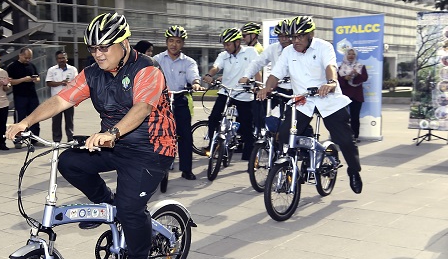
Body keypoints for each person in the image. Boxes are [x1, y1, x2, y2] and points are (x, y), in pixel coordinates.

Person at [6, 12, 176, 259]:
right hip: (114, 142)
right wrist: (26, 121)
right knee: (70, 161)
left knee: (130, 209)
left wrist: (112, 133)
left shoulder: (147, 70)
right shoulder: (92, 73)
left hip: (151, 148)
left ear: (124, 42)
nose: (97, 54)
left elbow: (141, 108)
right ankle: (105, 203)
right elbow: (62, 99)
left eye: (104, 47)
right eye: (93, 48)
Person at [256, 16, 363, 194]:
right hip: (302, 100)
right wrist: (266, 88)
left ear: (310, 34)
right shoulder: (288, 52)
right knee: (284, 135)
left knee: (345, 140)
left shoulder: (323, 47)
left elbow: (330, 67)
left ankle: (354, 171)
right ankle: (299, 165)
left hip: (327, 97)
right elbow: (275, 74)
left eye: (300, 36)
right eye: (292, 37)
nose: (295, 41)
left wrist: (331, 83)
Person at [202, 28, 261, 160]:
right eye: (224, 44)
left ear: (237, 42)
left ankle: (249, 157)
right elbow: (216, 67)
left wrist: (257, 85)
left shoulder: (250, 52)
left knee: (247, 127)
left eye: (228, 44)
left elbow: (257, 70)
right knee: (213, 119)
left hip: (244, 93)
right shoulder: (223, 55)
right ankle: (214, 145)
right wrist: (209, 75)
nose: (226, 47)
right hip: (226, 91)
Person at [153, 25, 202, 180]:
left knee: (185, 136)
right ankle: (157, 168)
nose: (174, 44)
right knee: (158, 135)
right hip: (161, 101)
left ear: (183, 44)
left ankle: (186, 169)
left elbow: (193, 76)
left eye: (178, 41)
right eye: (171, 41)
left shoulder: (188, 62)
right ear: (167, 42)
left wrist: (195, 83)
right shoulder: (157, 59)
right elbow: (149, 74)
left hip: (180, 100)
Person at [7, 47, 41, 148]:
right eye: (26, 57)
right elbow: (10, 81)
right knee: (20, 119)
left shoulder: (31, 65)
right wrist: (23, 79)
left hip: (32, 95)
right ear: (20, 55)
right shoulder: (12, 66)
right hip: (20, 96)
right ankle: (18, 140)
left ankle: (35, 139)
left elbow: (38, 76)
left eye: (29, 58)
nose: (28, 60)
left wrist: (36, 79)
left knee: (35, 117)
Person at [45, 50, 78, 142]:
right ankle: (56, 140)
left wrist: (69, 84)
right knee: (56, 121)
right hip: (56, 100)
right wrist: (61, 83)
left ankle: (70, 139)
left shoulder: (73, 69)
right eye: (59, 58)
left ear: (66, 59)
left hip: (68, 100)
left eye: (63, 58)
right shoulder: (52, 70)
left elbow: (77, 82)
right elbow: (49, 83)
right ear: (56, 60)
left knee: (69, 120)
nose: (61, 60)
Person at [338, 47, 368, 142]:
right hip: (344, 96)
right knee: (343, 117)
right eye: (349, 54)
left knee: (355, 117)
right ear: (346, 55)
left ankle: (355, 136)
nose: (351, 56)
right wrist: (345, 78)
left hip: (356, 96)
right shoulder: (340, 67)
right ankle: (344, 136)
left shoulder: (360, 66)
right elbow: (336, 80)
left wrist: (357, 74)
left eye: (353, 54)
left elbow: (364, 78)